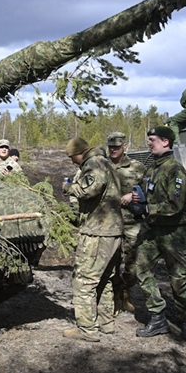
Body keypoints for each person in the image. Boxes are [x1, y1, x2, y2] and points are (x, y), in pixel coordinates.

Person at [132, 126, 186, 341]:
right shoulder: (152, 169)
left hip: (174, 233)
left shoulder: (175, 170)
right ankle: (157, 317)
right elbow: (145, 193)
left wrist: (148, 209)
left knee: (179, 278)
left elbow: (175, 205)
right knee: (141, 269)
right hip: (151, 231)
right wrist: (136, 200)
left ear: (166, 142)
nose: (149, 143)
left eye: (152, 140)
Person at [61, 137, 123, 342]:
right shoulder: (106, 163)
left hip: (98, 231)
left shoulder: (94, 164)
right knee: (104, 278)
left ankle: (87, 329)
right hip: (112, 230)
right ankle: (106, 323)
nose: (72, 161)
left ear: (80, 152)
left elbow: (89, 189)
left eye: (72, 156)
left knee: (84, 280)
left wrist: (69, 188)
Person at [106, 132, 147, 315]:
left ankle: (126, 289)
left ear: (125, 146)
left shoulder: (137, 167)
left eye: (117, 146)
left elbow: (149, 191)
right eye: (111, 146)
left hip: (131, 222)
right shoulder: (102, 166)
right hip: (108, 223)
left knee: (135, 264)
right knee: (111, 263)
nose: (113, 149)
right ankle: (114, 298)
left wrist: (135, 195)